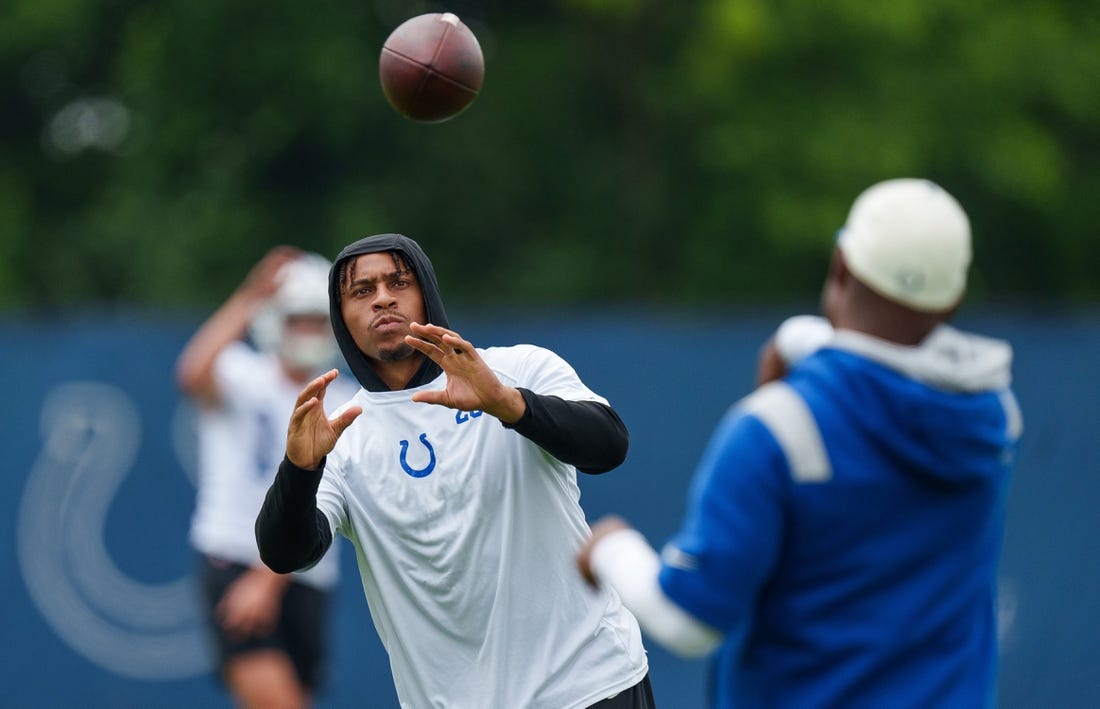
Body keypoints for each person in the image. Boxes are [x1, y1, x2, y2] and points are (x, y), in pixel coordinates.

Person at [577, 178, 1024, 708]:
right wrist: (804, 339)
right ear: (953, 301)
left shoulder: (775, 429)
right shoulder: (990, 419)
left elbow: (689, 620)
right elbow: (892, 368)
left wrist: (610, 549)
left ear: (840, 265)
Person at [255, 233, 654, 708]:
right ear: (341, 318)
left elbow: (609, 445)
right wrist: (300, 469)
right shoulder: (342, 433)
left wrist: (509, 404)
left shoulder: (516, 368)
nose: (383, 297)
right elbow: (286, 553)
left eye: (397, 282)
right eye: (361, 291)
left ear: (425, 291)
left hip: (590, 685)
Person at [178, 246, 356, 709]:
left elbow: (329, 497)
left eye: (317, 320)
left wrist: (275, 576)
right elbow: (192, 372)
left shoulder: (344, 396)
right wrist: (251, 294)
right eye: (297, 318)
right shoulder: (242, 373)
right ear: (274, 319)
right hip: (236, 559)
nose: (307, 331)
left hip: (307, 573)